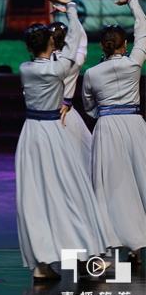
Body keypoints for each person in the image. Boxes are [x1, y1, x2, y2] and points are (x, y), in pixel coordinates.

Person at [16, 0, 120, 281]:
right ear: (52, 43)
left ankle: (42, 264)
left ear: (29, 47)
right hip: (52, 132)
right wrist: (71, 9)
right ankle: (85, 258)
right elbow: (76, 43)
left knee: (35, 197)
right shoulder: (59, 67)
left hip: (30, 135)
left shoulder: (25, 69)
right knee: (72, 192)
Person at [82, 0, 146, 265]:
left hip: (107, 128)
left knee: (111, 188)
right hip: (134, 125)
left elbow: (88, 106)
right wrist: (132, 1)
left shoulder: (92, 74)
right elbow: (143, 27)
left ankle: (111, 246)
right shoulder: (134, 63)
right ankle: (135, 246)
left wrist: (105, 115)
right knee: (140, 180)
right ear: (125, 44)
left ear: (102, 45)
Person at [48, 20, 92, 178]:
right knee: (77, 161)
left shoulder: (40, 65)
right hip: (68, 116)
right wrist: (72, 15)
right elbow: (82, 42)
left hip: (45, 115)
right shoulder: (74, 62)